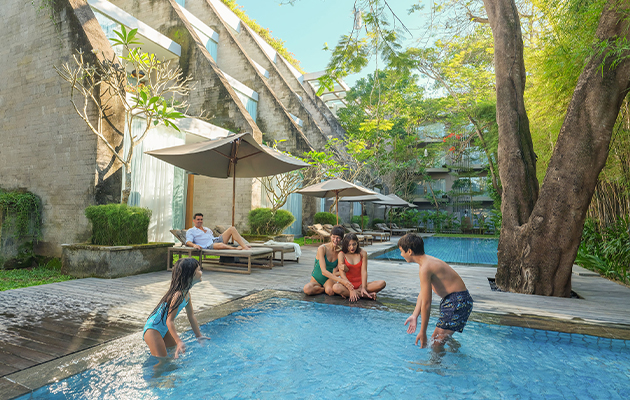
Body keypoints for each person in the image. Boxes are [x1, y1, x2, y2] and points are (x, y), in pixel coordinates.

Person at [400, 233, 473, 349]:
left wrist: (422, 331)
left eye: (401, 251)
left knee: (435, 343)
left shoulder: (425, 268)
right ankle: (456, 354)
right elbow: (423, 294)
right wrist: (415, 315)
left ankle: (435, 367)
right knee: (439, 339)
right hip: (454, 301)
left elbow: (427, 303)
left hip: (458, 301)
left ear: (409, 251)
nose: (400, 254)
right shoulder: (424, 263)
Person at [143, 258, 210, 358]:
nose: (201, 272)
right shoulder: (178, 295)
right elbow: (169, 321)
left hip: (162, 328)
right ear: (189, 275)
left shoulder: (186, 294)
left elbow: (191, 316)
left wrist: (199, 336)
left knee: (172, 353)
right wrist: (179, 341)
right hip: (153, 329)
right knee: (163, 362)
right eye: (199, 270)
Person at [303, 225, 354, 296]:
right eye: (333, 237)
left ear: (341, 239)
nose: (335, 240)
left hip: (328, 280)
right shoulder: (322, 248)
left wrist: (345, 269)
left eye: (338, 238)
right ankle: (323, 289)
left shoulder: (340, 253)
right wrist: (340, 280)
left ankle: (326, 288)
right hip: (316, 279)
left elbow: (338, 270)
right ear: (330, 236)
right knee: (307, 289)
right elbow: (323, 271)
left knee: (330, 291)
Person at [333, 233, 386, 301]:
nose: (352, 247)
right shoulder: (341, 254)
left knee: (382, 283)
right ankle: (364, 295)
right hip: (347, 285)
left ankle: (356, 293)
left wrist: (363, 287)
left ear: (357, 243)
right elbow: (342, 275)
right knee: (336, 287)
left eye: (354, 244)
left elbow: (364, 271)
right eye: (349, 245)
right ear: (346, 245)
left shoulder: (363, 253)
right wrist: (351, 289)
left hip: (360, 285)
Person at [186, 213, 251, 250]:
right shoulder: (191, 231)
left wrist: (220, 235)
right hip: (209, 245)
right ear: (193, 221)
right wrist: (194, 245)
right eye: (198, 219)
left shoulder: (207, 229)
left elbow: (212, 237)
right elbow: (188, 242)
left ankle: (243, 246)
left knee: (232, 228)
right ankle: (236, 248)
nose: (200, 221)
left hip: (216, 240)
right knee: (221, 245)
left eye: (201, 219)